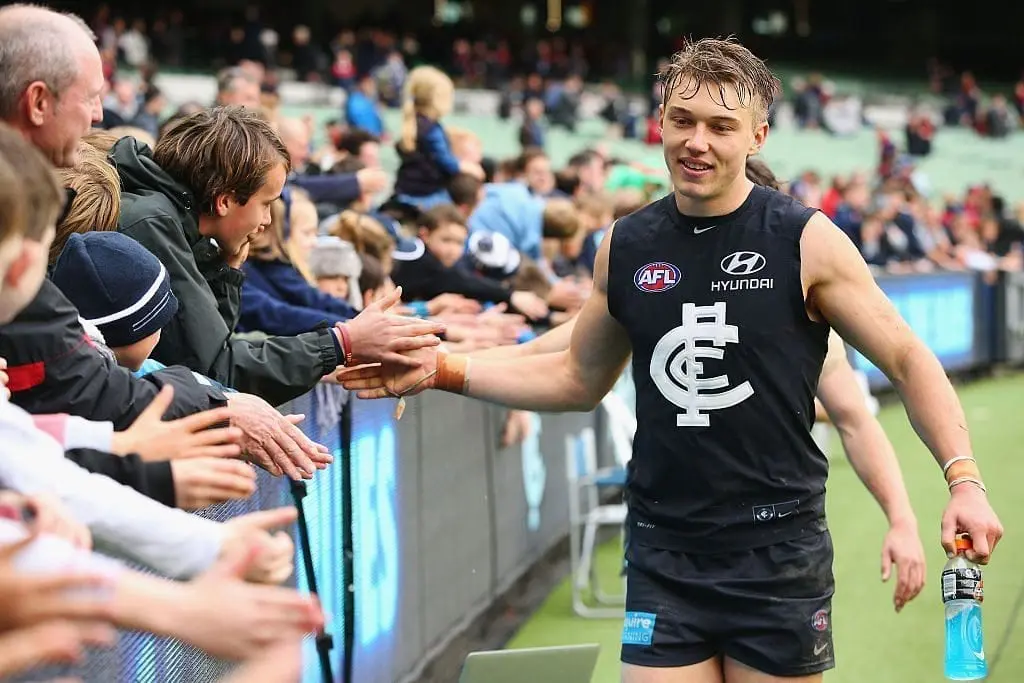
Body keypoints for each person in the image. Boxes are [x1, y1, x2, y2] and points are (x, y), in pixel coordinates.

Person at [343, 37, 1003, 683]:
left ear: (758, 137)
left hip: (777, 556)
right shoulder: (625, 245)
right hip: (665, 551)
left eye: (721, 126)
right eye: (682, 120)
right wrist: (443, 368)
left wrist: (963, 481)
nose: (697, 141)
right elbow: (575, 375)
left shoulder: (806, 241)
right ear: (659, 121)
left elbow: (908, 358)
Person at [0, 4, 325, 481]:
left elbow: (62, 398)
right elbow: (98, 382)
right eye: (90, 97)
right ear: (38, 102)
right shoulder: (143, 222)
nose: (98, 116)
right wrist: (221, 402)